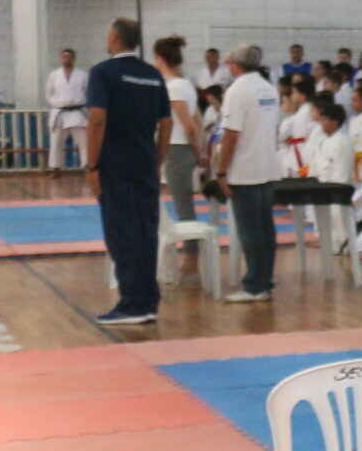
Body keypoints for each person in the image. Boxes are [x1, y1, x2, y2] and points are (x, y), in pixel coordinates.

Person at [80, 19, 173, 327]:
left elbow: (97, 119)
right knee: (146, 232)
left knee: (122, 234)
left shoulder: (103, 72)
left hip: (115, 165)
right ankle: (147, 301)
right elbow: (166, 123)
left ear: (116, 38)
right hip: (145, 164)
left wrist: (92, 165)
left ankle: (133, 303)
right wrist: (157, 160)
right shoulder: (152, 75)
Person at [213, 46, 283, 303]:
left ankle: (255, 285)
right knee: (265, 227)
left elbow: (231, 134)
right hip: (267, 165)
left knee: (250, 230)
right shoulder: (268, 88)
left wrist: (221, 171)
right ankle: (264, 280)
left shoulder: (237, 91)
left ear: (234, 64)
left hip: (245, 168)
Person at [153, 37, 207, 287]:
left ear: (160, 59)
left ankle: (191, 259)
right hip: (181, 149)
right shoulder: (185, 84)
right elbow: (198, 123)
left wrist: (199, 152)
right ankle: (190, 257)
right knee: (183, 202)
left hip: (178, 149)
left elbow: (188, 125)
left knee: (183, 204)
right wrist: (200, 150)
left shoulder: (174, 87)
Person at [45, 49, 88, 171]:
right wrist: (58, 103)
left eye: (68, 57)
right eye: (63, 57)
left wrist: (78, 102)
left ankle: (87, 165)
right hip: (59, 112)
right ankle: (55, 167)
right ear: (60, 59)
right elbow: (48, 94)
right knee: (56, 142)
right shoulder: (53, 75)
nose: (66, 59)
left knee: (83, 142)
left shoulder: (83, 75)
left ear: (74, 59)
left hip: (77, 112)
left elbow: (88, 92)